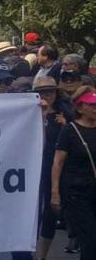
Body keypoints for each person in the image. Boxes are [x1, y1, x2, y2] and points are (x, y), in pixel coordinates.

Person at [51, 85, 96, 260]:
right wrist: (55, 192)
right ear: (79, 107)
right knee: (90, 240)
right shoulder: (69, 131)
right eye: (91, 104)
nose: (95, 108)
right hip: (77, 193)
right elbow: (58, 162)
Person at [34, 77, 72, 260]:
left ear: (56, 93)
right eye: (42, 92)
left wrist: (66, 126)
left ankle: (42, 256)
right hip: (33, 168)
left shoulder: (64, 115)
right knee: (32, 211)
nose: (46, 95)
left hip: (54, 168)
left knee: (49, 212)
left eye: (50, 91)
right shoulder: (29, 113)